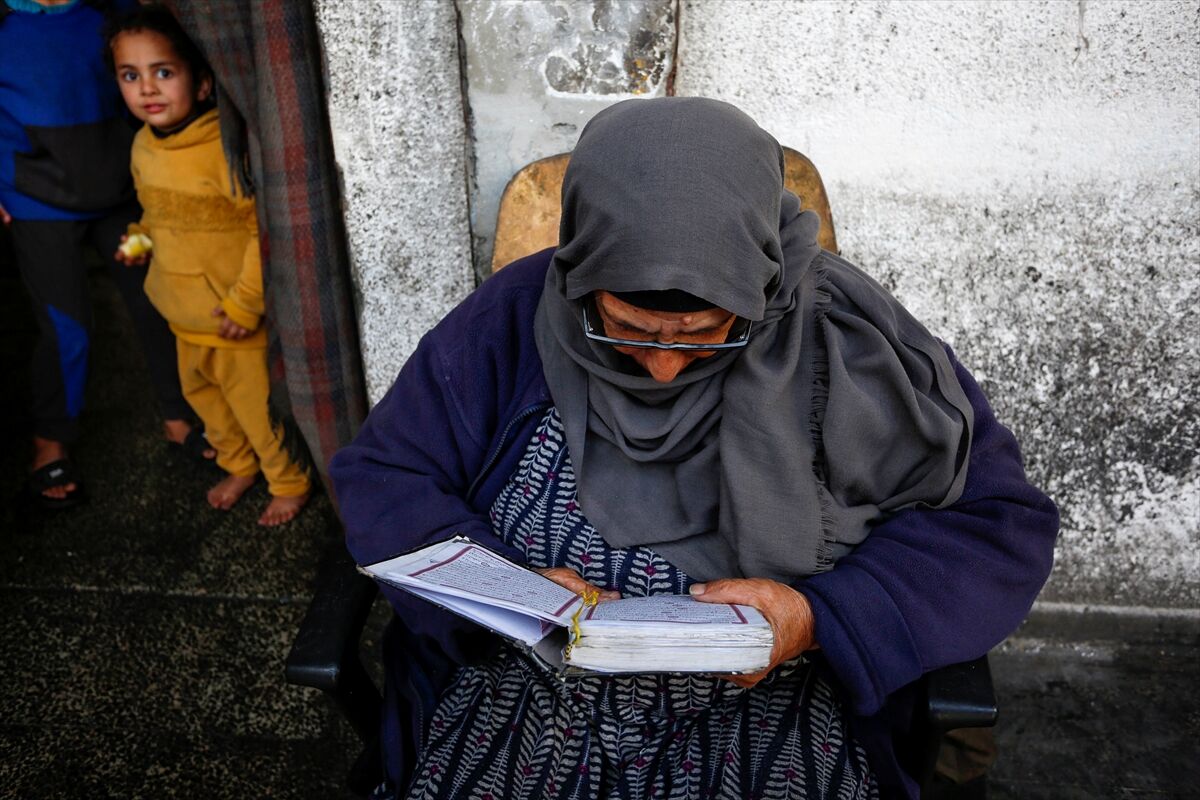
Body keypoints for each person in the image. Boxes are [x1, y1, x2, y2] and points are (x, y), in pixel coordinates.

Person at [330, 98, 1059, 799]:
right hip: (526, 694)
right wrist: (508, 592)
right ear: (585, 279)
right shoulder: (511, 320)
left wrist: (820, 617)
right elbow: (386, 476)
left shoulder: (853, 343)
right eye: (629, 330)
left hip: (783, 700)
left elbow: (997, 526)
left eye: (708, 334)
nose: (664, 368)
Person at [0, 0, 210, 510]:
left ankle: (179, 416)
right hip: (34, 194)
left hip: (121, 188)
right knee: (66, 325)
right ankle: (51, 440)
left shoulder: (109, 10)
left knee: (156, 303)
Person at [105, 5, 310, 526]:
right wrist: (139, 240)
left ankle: (288, 482)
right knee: (210, 407)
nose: (146, 88)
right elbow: (156, 210)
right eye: (131, 75)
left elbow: (258, 230)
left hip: (231, 318)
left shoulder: (225, 148)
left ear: (201, 84)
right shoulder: (142, 147)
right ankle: (237, 464)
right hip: (181, 314)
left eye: (163, 72)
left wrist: (245, 302)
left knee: (255, 411)